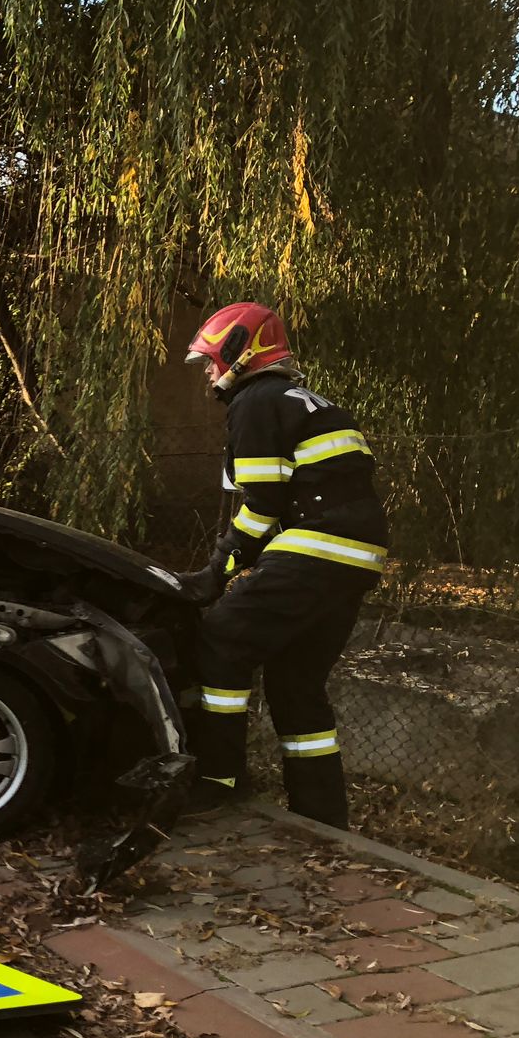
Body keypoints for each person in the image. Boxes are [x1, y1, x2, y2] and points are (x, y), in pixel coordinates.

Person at [182, 302, 390, 829]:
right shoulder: (308, 401)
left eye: (211, 359)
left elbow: (264, 505)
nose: (209, 370)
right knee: (296, 683)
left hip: (316, 548)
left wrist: (216, 570)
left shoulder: (256, 400)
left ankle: (219, 778)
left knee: (223, 637)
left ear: (239, 352)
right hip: (357, 558)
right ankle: (320, 817)